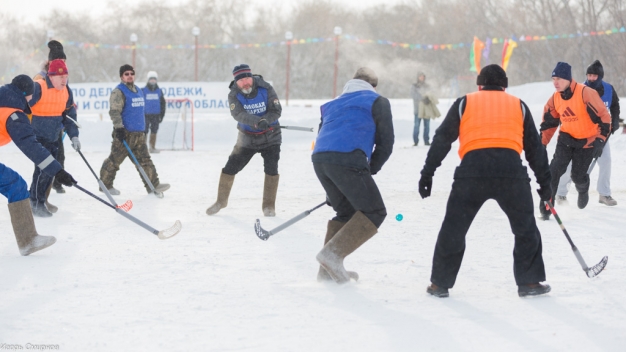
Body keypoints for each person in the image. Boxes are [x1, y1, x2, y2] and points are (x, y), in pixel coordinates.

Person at [418, 64, 552, 298]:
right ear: (505, 86)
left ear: (479, 85)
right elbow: (535, 148)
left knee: (454, 228)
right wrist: (545, 184)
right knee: (525, 228)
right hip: (511, 172)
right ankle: (529, 283)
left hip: (472, 172)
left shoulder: (464, 102)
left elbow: (442, 139)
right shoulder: (518, 105)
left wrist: (428, 172)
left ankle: (439, 284)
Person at [313, 67, 394, 284]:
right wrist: (370, 169)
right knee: (375, 211)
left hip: (320, 159)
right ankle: (332, 256)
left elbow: (324, 135)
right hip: (348, 158)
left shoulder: (333, 103)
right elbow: (386, 143)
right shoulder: (377, 101)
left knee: (346, 211)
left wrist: (337, 186)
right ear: (373, 85)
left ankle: (326, 272)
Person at [0, 75, 76, 255]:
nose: (31, 100)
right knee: (15, 185)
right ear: (25, 94)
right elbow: (30, 146)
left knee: (14, 184)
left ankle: (28, 240)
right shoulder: (14, 114)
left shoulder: (4, 100)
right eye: (30, 96)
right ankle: (28, 241)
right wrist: (57, 171)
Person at [206, 64, 282, 217]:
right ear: (236, 82)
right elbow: (238, 114)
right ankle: (221, 201)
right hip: (247, 138)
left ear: (252, 77)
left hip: (271, 136)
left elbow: (276, 110)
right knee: (230, 167)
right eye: (241, 81)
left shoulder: (266, 89)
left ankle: (268, 206)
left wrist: (266, 120)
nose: (245, 83)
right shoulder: (233, 95)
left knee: (271, 169)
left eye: (247, 79)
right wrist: (257, 121)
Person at [538, 62, 612, 220]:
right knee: (554, 171)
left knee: (577, 176)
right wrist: (542, 143)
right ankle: (547, 204)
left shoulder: (586, 93)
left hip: (586, 141)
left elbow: (604, 117)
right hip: (566, 139)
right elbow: (549, 122)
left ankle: (583, 188)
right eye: (553, 79)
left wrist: (600, 139)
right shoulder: (555, 98)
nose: (555, 82)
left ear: (567, 79)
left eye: (558, 79)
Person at [556, 60, 620, 206]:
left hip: (601, 134)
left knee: (606, 161)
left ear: (600, 76)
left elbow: (615, 105)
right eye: (589, 75)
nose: (591, 78)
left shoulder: (609, 89)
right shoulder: (579, 89)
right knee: (572, 163)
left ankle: (604, 194)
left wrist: (614, 121)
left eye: (594, 76)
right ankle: (561, 194)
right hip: (581, 134)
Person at [99, 64, 170, 196]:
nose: (130, 76)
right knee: (114, 161)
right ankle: (105, 185)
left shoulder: (138, 90)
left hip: (139, 135)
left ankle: (153, 185)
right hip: (124, 134)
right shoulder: (118, 92)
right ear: (121, 76)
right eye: (126, 74)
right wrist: (118, 128)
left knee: (145, 160)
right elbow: (115, 112)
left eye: (131, 73)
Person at [28, 59, 80, 217]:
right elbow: (21, 104)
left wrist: (74, 136)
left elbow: (69, 116)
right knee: (42, 170)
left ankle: (39, 200)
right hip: (37, 138)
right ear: (50, 76)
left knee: (48, 172)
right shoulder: (38, 87)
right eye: (60, 77)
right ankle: (35, 203)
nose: (64, 80)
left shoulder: (66, 92)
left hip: (54, 137)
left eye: (66, 76)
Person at [34, 41, 70, 195]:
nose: (62, 63)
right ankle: (41, 196)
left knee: (59, 157)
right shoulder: (40, 78)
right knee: (44, 163)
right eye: (58, 60)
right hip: (42, 127)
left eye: (64, 60)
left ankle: (53, 185)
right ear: (50, 62)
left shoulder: (62, 76)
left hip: (55, 125)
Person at [142, 71, 166, 154]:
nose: (152, 81)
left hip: (156, 115)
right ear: (148, 80)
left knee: (154, 130)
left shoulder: (159, 91)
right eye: (151, 80)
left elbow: (163, 104)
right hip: (145, 115)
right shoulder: (143, 91)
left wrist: (162, 115)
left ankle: (152, 147)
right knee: (144, 131)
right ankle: (143, 148)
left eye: (154, 80)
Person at [411, 72, 435, 146]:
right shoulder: (414, 86)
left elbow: (431, 93)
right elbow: (413, 95)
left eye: (423, 77)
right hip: (418, 110)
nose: (422, 78)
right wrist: (422, 99)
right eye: (420, 76)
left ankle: (426, 140)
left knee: (427, 126)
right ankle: (415, 141)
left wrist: (428, 99)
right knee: (417, 126)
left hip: (426, 109)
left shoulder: (427, 86)